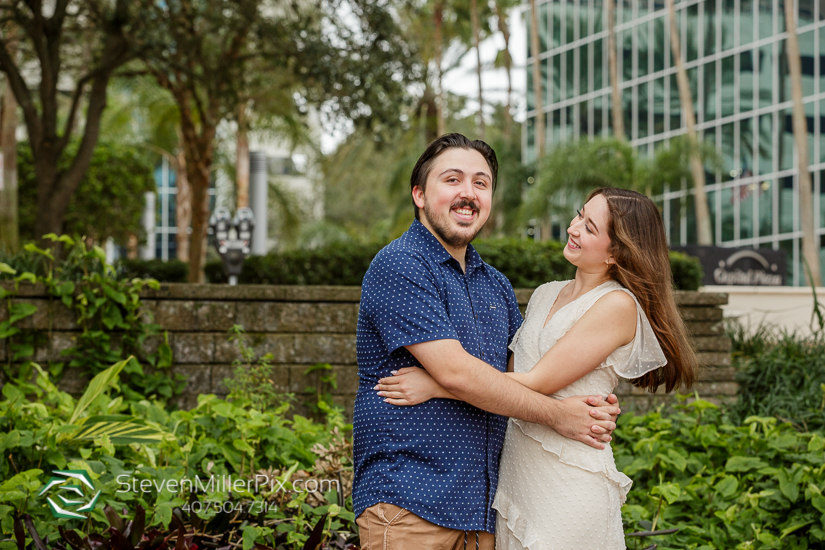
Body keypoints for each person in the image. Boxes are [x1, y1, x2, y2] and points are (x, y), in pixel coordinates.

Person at [376, 187, 698, 549]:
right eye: (579, 215)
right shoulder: (546, 292)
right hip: (518, 469)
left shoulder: (617, 305)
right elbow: (507, 372)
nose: (574, 228)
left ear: (616, 251)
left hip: (568, 473)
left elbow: (535, 381)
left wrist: (437, 384)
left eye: (590, 228)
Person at [353, 133, 622, 550]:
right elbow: (458, 373)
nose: (468, 193)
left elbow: (518, 377)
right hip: (410, 507)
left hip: (484, 517)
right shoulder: (400, 265)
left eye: (481, 183)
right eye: (453, 180)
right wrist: (558, 415)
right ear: (420, 195)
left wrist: (593, 394)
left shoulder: (495, 286)